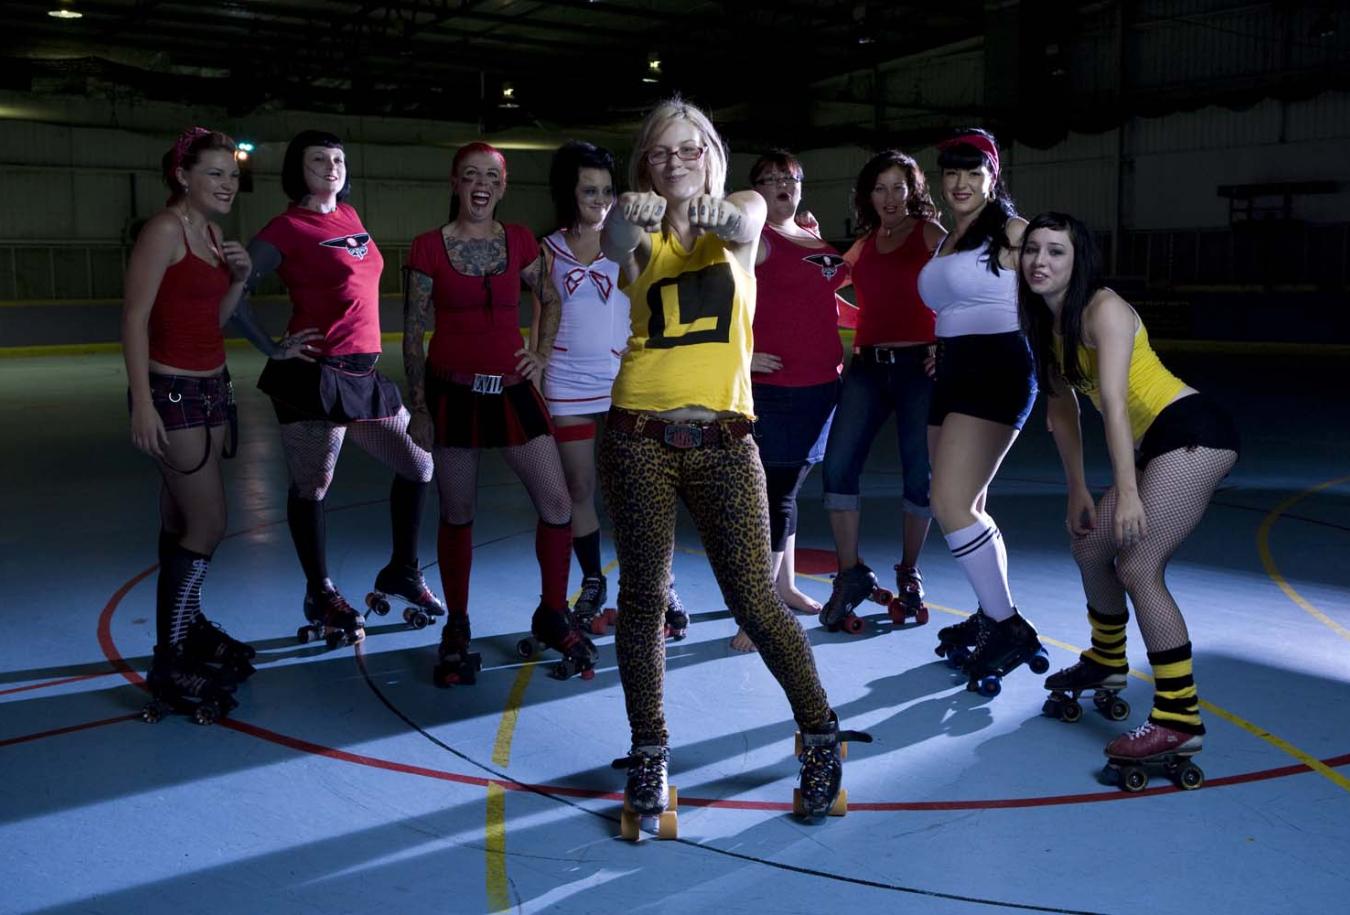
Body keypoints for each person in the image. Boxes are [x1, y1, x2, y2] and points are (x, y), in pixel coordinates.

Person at [599, 97, 867, 823]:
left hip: (723, 440)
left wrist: (700, 203)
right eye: (661, 152)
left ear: (712, 155)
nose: (676, 161)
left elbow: (745, 220)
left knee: (755, 597)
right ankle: (649, 753)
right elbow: (614, 236)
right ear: (644, 163)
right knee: (644, 601)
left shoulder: (744, 213)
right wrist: (633, 209)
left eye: (690, 149)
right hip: (637, 436)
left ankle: (820, 735)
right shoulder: (639, 227)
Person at [1021, 212, 1239, 764]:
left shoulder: (1105, 309)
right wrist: (1077, 489)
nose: (1040, 262)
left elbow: (1114, 406)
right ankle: (1107, 659)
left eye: (1056, 252)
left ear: (1079, 261)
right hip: (1157, 444)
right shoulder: (1046, 324)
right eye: (1033, 251)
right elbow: (1062, 412)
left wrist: (1130, 491)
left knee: (1140, 565)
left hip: (1194, 431)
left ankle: (1178, 718)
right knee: (1091, 542)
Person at [232, 130, 442, 649]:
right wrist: (270, 345)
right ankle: (319, 591)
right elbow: (233, 292)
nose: (332, 166)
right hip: (314, 378)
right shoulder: (285, 227)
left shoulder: (350, 217)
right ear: (297, 169)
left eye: (339, 159)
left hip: (364, 375)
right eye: (319, 159)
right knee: (313, 488)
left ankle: (402, 570)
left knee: (419, 464)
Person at [403, 141, 598, 685]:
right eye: (470, 175)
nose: (480, 184)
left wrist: (539, 353)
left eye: (491, 175)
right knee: (457, 510)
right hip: (452, 394)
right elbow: (415, 334)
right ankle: (458, 624)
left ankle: (552, 612)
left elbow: (552, 298)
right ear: (455, 183)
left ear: (503, 186)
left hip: (512, 391)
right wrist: (418, 407)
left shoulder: (517, 241)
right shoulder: (426, 249)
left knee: (557, 502)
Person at [122, 127, 256, 718]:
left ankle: (189, 625)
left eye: (232, 175)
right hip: (171, 392)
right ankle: (170, 657)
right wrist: (143, 403)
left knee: (182, 523)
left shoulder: (212, 234)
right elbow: (133, 319)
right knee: (209, 523)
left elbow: (216, 317)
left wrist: (241, 276)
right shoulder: (165, 231)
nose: (228, 184)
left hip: (211, 387)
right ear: (183, 176)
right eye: (215, 174)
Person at [918, 128, 1044, 691]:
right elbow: (954, 305)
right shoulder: (947, 239)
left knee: (949, 502)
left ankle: (1008, 624)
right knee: (968, 502)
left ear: (993, 176)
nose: (962, 183)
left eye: (974, 172)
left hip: (998, 368)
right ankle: (987, 612)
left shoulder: (1014, 232)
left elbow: (1055, 294)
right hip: (950, 371)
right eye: (952, 173)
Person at [729, 150, 854, 653]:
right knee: (773, 493)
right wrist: (742, 353)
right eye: (771, 178)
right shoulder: (754, 240)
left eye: (791, 177)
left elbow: (828, 305)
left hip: (823, 386)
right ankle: (759, 612)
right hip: (778, 390)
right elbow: (719, 296)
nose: (782, 184)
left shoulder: (816, 240)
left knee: (789, 490)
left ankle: (782, 587)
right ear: (755, 189)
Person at [816, 150, 946, 635]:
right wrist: (810, 239)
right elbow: (822, 283)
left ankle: (909, 572)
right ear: (867, 196)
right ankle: (850, 574)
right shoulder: (864, 244)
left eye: (899, 187)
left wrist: (947, 343)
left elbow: (961, 288)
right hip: (868, 367)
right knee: (838, 465)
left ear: (913, 190)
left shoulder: (931, 235)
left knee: (920, 474)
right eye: (880, 188)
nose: (890, 198)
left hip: (919, 369)